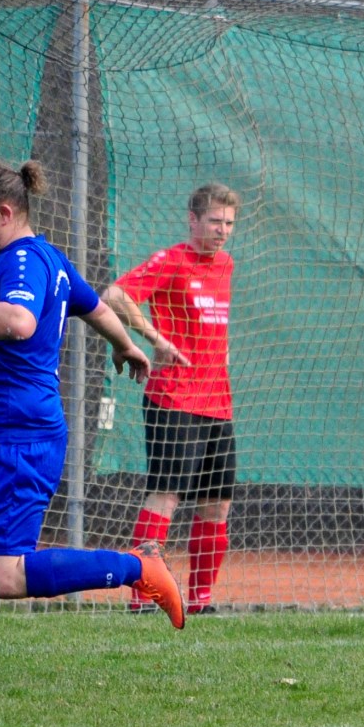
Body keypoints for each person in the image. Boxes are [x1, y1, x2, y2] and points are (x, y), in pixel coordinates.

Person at [0, 160, 184, 687]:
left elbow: (20, 323)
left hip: (15, 441)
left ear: (4, 213)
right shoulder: (45, 258)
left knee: (2, 577)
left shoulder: (23, 264)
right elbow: (94, 306)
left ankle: (139, 568)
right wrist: (126, 346)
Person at [101, 184, 240, 614]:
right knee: (165, 496)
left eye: (229, 223)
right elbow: (115, 296)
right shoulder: (173, 260)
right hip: (173, 398)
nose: (222, 230)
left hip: (218, 401)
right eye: (215, 221)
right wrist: (155, 339)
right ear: (193, 219)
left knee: (217, 503)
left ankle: (201, 600)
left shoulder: (226, 265)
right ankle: (143, 596)